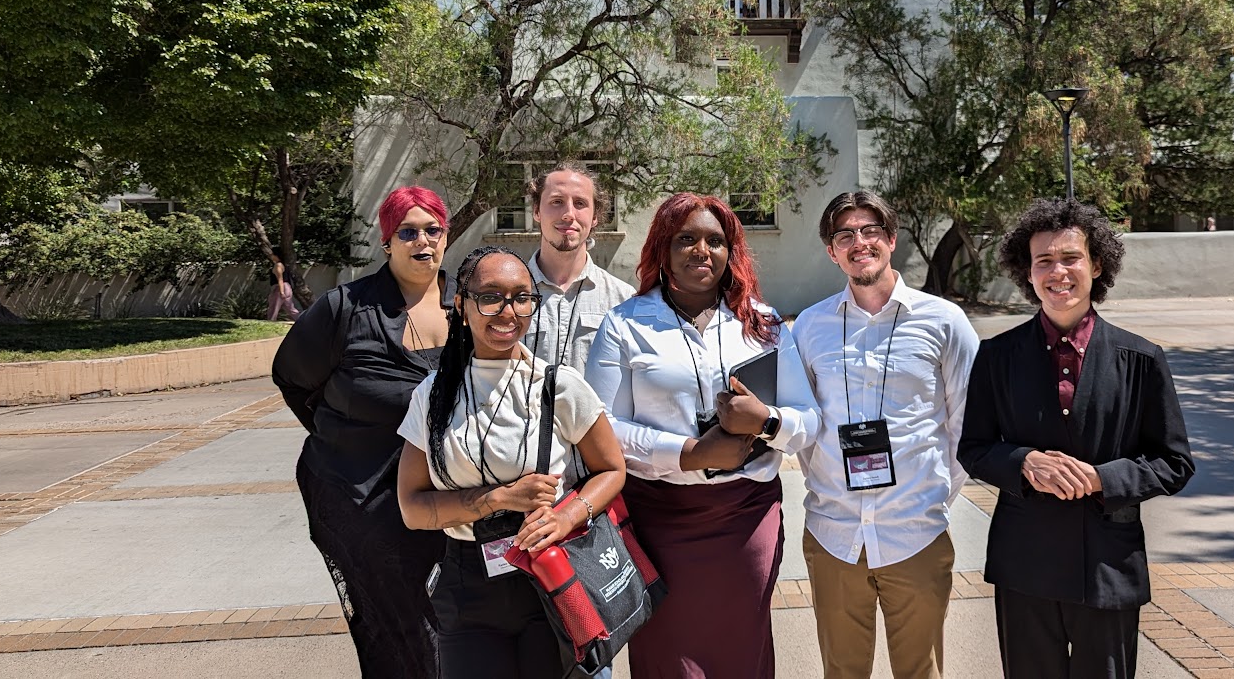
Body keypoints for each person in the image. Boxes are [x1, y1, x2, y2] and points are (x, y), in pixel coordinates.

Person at [585, 192, 819, 679]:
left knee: (742, 647)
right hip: (658, 518)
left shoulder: (763, 323)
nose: (701, 250)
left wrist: (766, 421)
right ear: (663, 250)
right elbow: (601, 431)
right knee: (668, 655)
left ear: (731, 252)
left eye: (715, 240)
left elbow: (808, 420)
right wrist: (688, 452)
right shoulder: (625, 324)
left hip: (745, 517)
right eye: (686, 239)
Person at [959, 198, 1195, 679]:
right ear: (1027, 272)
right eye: (1043, 260)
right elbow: (974, 448)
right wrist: (1023, 461)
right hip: (1024, 565)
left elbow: (1174, 462)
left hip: (1108, 565)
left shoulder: (1141, 358)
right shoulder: (996, 357)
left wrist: (1100, 479)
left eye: (1071, 258)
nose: (1058, 272)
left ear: (1097, 265)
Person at [395, 245, 626, 677]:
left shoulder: (558, 386)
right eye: (491, 297)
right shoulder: (433, 395)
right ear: (461, 306)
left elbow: (612, 469)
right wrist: (498, 498)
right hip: (468, 589)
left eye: (522, 297)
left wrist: (568, 515)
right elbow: (412, 508)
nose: (508, 311)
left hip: (551, 579)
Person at [785, 191, 978, 679]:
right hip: (833, 536)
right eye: (844, 235)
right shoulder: (809, 326)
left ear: (891, 240)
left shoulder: (944, 320)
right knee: (842, 672)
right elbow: (806, 428)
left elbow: (967, 425)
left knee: (921, 672)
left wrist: (929, 495)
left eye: (870, 231)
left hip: (916, 533)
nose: (859, 242)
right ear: (832, 251)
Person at [271, 186, 454, 678]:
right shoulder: (344, 308)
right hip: (358, 496)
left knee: (451, 619)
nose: (423, 241)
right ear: (387, 241)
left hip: (448, 498)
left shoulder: (470, 305)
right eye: (408, 231)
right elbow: (292, 379)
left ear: (446, 235)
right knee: (396, 625)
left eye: (432, 230)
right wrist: (348, 437)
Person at [522, 163, 634, 386]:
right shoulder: (510, 295)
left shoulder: (624, 301)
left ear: (595, 217)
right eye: (556, 202)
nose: (568, 214)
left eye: (580, 203)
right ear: (536, 211)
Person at [267, 252, 301, 322]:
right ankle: (301, 320)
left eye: (273, 255)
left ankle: (270, 322)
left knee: (273, 307)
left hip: (280, 288)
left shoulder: (278, 266)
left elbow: (280, 279)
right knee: (290, 308)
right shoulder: (284, 265)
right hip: (287, 287)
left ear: (277, 256)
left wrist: (281, 292)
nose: (271, 256)